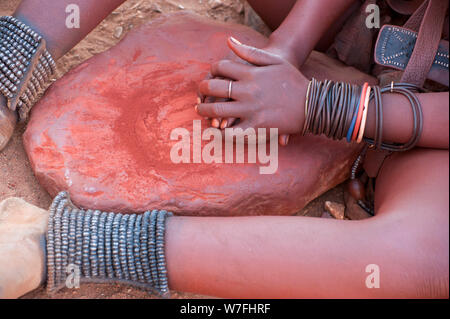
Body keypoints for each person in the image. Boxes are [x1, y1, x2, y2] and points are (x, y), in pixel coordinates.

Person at [0, 0, 448, 299]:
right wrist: (285, 48)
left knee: (427, 259)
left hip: (430, 123)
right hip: (362, 13)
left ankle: (65, 242)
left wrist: (326, 106)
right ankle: (11, 68)